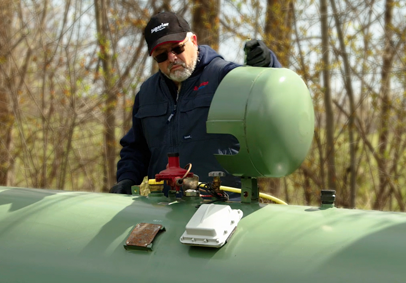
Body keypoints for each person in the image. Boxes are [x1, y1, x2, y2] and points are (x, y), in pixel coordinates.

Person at [109, 11, 281, 195]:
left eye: (177, 49)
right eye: (161, 55)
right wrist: (127, 179)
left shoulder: (225, 77)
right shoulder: (147, 93)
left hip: (224, 204)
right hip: (164, 205)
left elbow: (271, 94)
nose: (172, 58)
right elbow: (136, 148)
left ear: (193, 41)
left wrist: (267, 63)